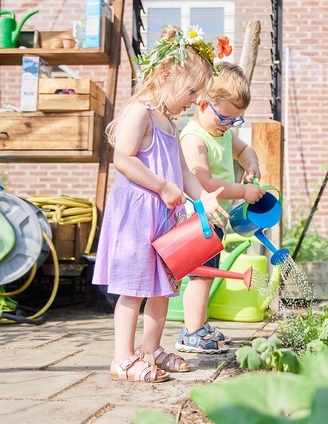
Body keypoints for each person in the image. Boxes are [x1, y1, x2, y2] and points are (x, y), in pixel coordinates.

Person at [92, 25, 229, 382]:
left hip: (164, 218)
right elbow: (123, 158)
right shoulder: (141, 111)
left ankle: (150, 348)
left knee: (163, 286)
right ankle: (122, 357)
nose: (194, 101)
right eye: (191, 92)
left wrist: (203, 198)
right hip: (138, 215)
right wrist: (162, 186)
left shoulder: (169, 121)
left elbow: (184, 170)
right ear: (166, 75)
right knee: (134, 288)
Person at [176, 61, 266, 354]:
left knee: (207, 273)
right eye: (224, 117)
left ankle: (198, 326)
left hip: (214, 219)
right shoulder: (194, 138)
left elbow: (244, 150)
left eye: (235, 120)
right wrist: (243, 191)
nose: (228, 125)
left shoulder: (222, 133)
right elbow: (203, 180)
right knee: (201, 275)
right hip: (197, 219)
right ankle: (191, 332)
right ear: (202, 103)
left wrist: (251, 163)